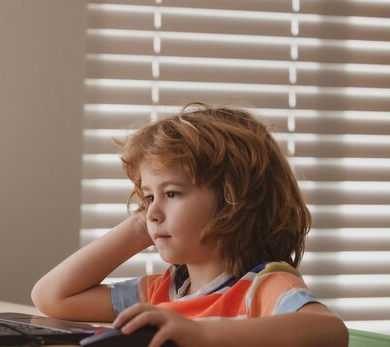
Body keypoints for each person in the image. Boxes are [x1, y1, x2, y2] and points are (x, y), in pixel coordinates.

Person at [32, 102, 348, 347]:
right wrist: (140, 227)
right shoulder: (160, 293)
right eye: (147, 196)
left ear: (233, 198)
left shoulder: (263, 287)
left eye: (171, 193)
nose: (153, 210)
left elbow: (329, 332)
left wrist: (201, 334)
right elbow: (52, 297)